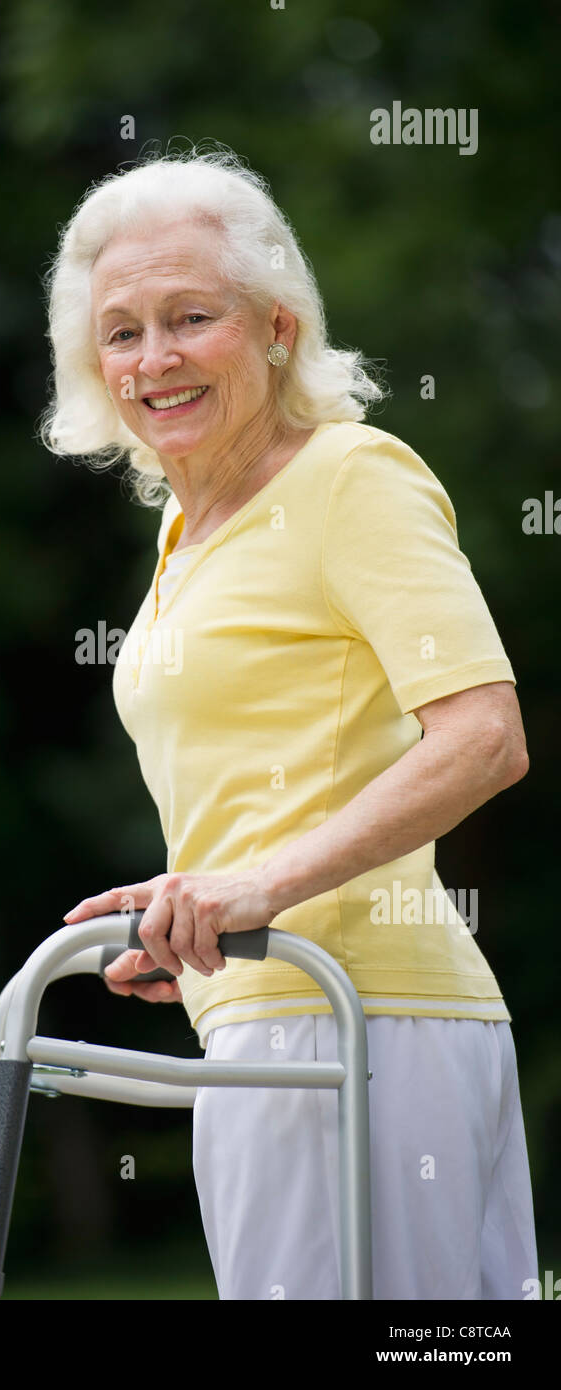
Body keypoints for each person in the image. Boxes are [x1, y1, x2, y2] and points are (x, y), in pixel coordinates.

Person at [40, 144, 539, 1300]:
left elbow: (484, 735)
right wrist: (192, 908)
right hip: (263, 1012)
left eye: (190, 316)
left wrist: (259, 889)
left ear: (276, 325)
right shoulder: (186, 533)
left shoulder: (349, 477)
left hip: (362, 1014)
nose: (154, 357)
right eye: (122, 331)